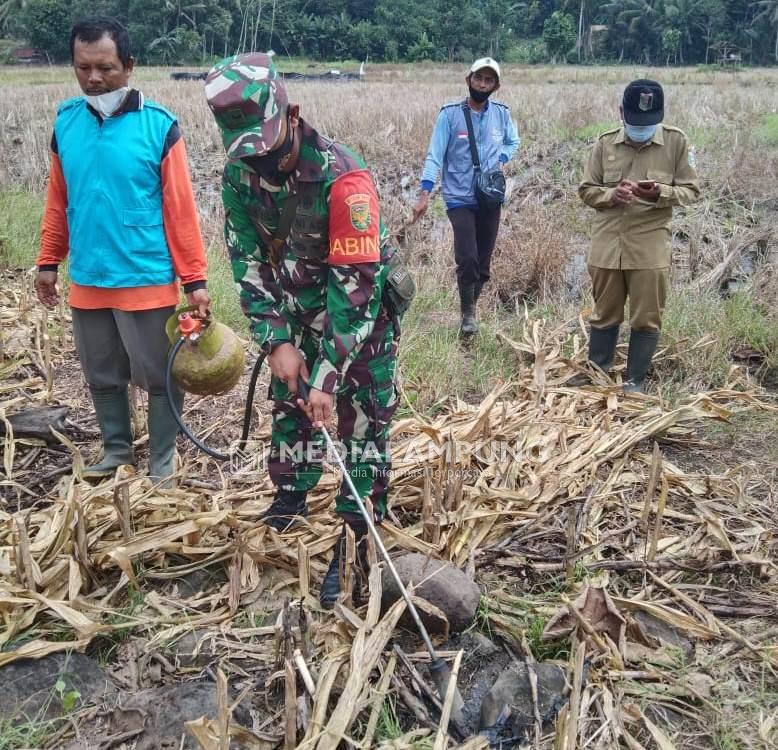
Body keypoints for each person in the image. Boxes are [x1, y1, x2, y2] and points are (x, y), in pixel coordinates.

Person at [205, 53, 405, 609]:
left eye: (267, 149)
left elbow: (358, 291)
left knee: (362, 422)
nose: (261, 164)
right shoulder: (239, 177)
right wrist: (278, 343)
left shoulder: (346, 181)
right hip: (294, 320)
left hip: (357, 329)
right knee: (291, 409)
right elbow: (247, 264)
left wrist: (328, 374)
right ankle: (290, 496)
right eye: (248, 153)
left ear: (291, 115)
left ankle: (355, 531)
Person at [35, 16, 209, 485]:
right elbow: (58, 200)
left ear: (129, 66)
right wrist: (48, 261)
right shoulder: (66, 123)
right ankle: (115, 450)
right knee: (102, 372)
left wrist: (195, 279)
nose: (94, 78)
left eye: (106, 68)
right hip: (89, 276)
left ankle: (162, 459)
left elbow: (180, 210)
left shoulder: (159, 127)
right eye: (83, 67)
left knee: (159, 373)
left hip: (145, 276)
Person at [575, 79, 700, 393]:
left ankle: (635, 382)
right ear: (621, 112)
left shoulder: (676, 143)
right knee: (604, 314)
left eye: (648, 124)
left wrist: (659, 192)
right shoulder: (604, 144)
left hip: (649, 246)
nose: (641, 129)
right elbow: (586, 189)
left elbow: (691, 190)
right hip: (607, 246)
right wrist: (611, 196)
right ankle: (597, 376)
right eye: (634, 123)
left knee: (646, 317)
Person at [412, 57, 519, 336]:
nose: (482, 84)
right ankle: (468, 314)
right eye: (478, 78)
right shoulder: (449, 115)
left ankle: (471, 306)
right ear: (468, 79)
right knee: (468, 257)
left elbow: (513, 141)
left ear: (496, 86)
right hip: (459, 196)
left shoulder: (502, 114)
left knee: (483, 262)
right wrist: (424, 193)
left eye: (489, 80)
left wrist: (501, 159)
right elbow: (435, 156)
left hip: (490, 196)